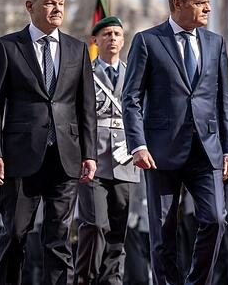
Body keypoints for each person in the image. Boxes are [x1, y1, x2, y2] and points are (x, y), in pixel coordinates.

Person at [122, 0, 228, 285]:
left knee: (216, 220)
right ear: (178, 4)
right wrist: (138, 145)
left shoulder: (216, 43)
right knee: (163, 232)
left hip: (207, 148)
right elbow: (131, 98)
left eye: (208, 2)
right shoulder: (147, 41)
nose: (208, 8)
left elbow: (223, 99)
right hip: (160, 152)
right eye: (201, 3)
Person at [0, 0, 97, 285]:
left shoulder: (78, 49)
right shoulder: (7, 47)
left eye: (60, 3)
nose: (56, 8)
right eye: (49, 3)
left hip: (65, 157)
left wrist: (89, 153)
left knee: (58, 239)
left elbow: (86, 106)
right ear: (30, 6)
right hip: (20, 159)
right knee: (16, 235)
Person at [76, 16, 141, 285]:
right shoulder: (85, 74)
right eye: (106, 34)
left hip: (125, 159)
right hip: (93, 159)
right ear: (95, 41)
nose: (112, 38)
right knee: (94, 225)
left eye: (117, 34)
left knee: (117, 231)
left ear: (123, 40)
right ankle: (86, 277)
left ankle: (111, 280)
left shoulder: (134, 73)